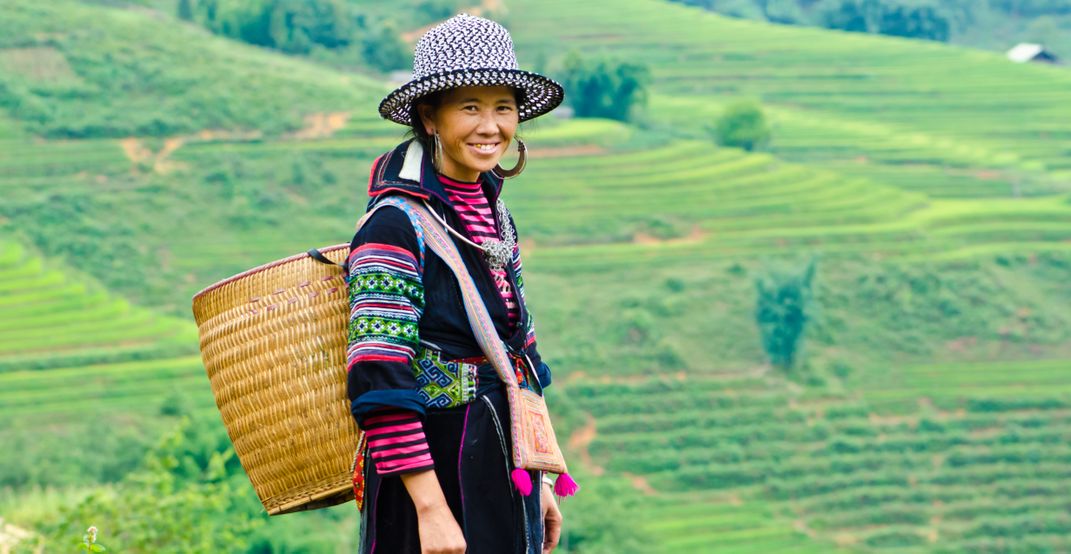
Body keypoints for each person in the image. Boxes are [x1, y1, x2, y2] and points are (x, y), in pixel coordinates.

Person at [344, 13, 573, 554]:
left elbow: (516, 352)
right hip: (432, 474)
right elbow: (379, 374)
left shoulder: (493, 214)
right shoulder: (394, 224)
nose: (490, 126)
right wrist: (432, 511)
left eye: (503, 107)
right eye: (470, 107)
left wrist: (538, 475)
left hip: (500, 466)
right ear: (430, 116)